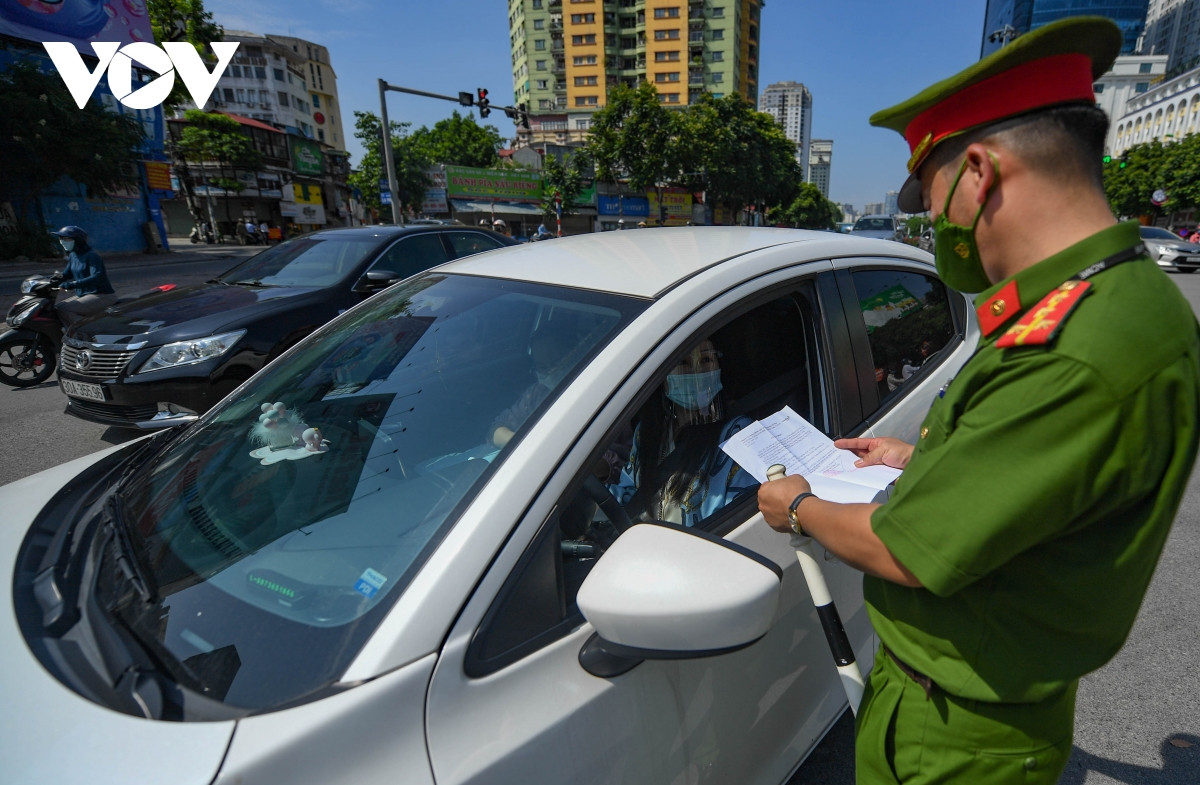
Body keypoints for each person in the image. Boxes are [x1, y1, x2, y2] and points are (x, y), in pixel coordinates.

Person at [757, 17, 1199, 785]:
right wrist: (920, 455)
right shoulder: (1117, 301)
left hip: (957, 737)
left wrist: (797, 506)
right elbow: (1043, 474)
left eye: (934, 201)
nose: (938, 227)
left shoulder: (1073, 346)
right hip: (975, 706)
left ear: (980, 172)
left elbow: (906, 550)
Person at [609, 339, 756, 528]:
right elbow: (629, 495)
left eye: (706, 360)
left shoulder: (738, 435)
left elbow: (740, 518)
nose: (697, 372)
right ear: (664, 378)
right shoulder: (647, 433)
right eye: (684, 363)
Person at [52, 226, 116, 327]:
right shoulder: (73, 255)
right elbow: (66, 274)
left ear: (78, 241)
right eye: (61, 239)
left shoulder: (92, 256)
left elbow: (97, 276)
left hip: (101, 295)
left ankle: (89, 332)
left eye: (66, 239)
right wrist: (51, 279)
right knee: (56, 308)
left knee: (66, 309)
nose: (62, 242)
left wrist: (73, 284)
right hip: (83, 295)